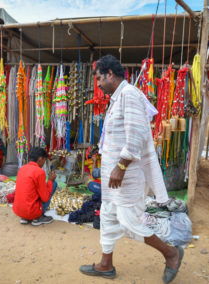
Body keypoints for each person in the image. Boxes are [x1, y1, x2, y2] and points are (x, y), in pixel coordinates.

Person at [79, 55, 184, 283]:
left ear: (110, 74)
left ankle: (172, 253)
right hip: (114, 177)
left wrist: (120, 166)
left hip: (126, 176)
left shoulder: (129, 95)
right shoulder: (117, 98)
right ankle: (106, 265)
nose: (97, 84)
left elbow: (136, 134)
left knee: (130, 222)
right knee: (107, 216)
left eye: (99, 78)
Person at [13, 147, 57, 226]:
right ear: (40, 159)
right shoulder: (39, 172)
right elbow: (45, 198)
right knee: (54, 184)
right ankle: (38, 217)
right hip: (32, 212)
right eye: (44, 160)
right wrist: (50, 181)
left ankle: (25, 218)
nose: (44, 163)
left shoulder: (22, 169)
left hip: (18, 210)